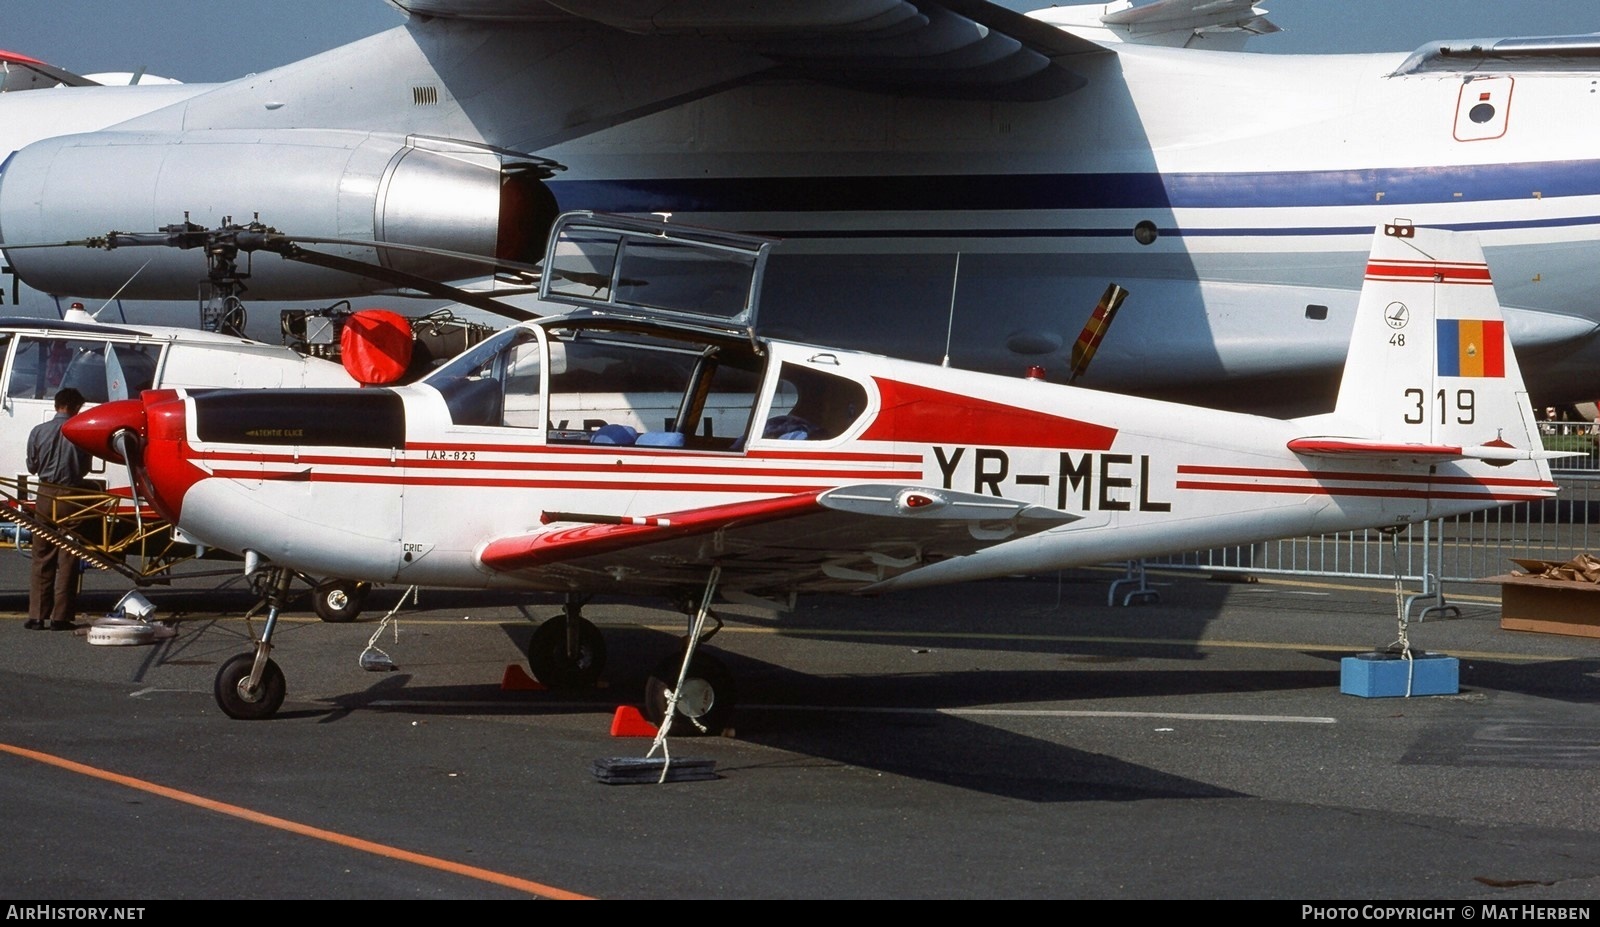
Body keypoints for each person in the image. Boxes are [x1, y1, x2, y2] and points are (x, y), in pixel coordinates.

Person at [25, 388, 91, 631]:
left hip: (44, 492)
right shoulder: (80, 433)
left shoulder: (38, 431)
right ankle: (60, 616)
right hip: (72, 495)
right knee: (68, 555)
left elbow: (32, 466)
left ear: (56, 405)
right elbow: (84, 469)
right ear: (75, 407)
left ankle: (36, 615)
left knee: (42, 555)